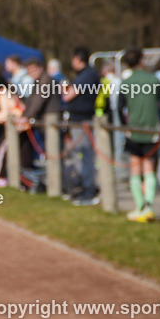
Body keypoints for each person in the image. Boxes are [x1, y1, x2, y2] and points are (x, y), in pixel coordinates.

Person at [119, 48, 160, 222]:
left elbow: (118, 107)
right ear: (141, 60)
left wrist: (124, 126)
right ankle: (148, 207)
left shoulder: (126, 82)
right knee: (149, 169)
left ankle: (140, 206)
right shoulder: (154, 80)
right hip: (152, 132)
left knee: (135, 170)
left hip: (133, 131)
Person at [62, 47, 100, 205]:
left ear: (78, 59)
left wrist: (64, 88)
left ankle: (88, 189)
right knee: (81, 154)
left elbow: (68, 96)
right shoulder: (87, 74)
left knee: (85, 155)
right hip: (80, 119)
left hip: (82, 120)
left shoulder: (86, 75)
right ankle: (82, 187)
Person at [18, 57, 61, 169]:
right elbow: (32, 101)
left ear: (40, 68)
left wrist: (26, 117)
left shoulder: (46, 80)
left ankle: (57, 182)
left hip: (51, 120)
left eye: (33, 70)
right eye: (29, 71)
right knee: (49, 151)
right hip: (44, 121)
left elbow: (39, 100)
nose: (31, 73)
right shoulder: (38, 81)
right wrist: (24, 116)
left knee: (53, 151)